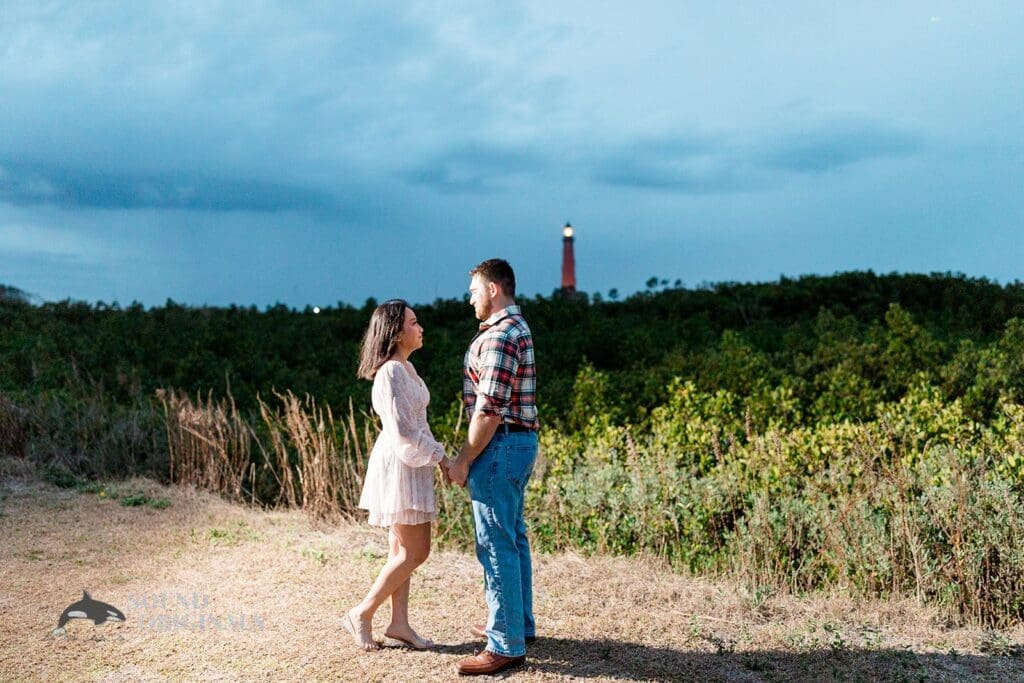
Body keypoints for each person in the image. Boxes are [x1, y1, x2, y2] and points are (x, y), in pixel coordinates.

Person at [447, 259, 539, 676]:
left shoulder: (501, 335)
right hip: (517, 444)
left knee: (495, 542)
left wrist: (464, 458)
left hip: (500, 446)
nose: (470, 299)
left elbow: (488, 410)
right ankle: (519, 625)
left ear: (494, 289)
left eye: (474, 291)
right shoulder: (518, 329)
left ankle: (505, 643)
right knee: (512, 535)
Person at [344, 299, 449, 652]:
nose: (420, 328)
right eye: (414, 322)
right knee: (416, 552)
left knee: (400, 550)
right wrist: (441, 457)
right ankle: (362, 612)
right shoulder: (391, 372)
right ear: (395, 331)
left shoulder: (406, 368)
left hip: (410, 463)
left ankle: (399, 623)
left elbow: (418, 423)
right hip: (401, 463)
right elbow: (404, 432)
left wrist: (435, 454)